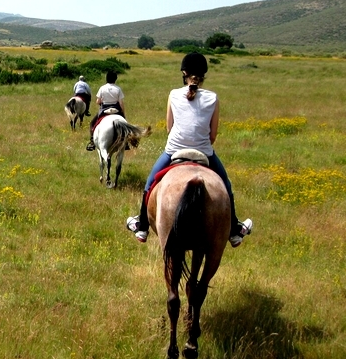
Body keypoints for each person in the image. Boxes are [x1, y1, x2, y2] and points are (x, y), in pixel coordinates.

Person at [125, 52, 253, 247]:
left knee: (150, 183)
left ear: (184, 73)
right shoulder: (213, 98)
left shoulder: (174, 94)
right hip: (205, 152)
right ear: (203, 75)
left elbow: (169, 128)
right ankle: (234, 229)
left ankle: (142, 225)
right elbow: (213, 135)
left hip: (173, 150)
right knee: (225, 186)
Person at [86, 70, 125, 151]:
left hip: (104, 110)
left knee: (92, 124)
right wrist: (123, 113)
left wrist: (102, 101)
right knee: (125, 126)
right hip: (116, 110)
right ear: (115, 79)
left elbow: (98, 101)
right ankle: (126, 142)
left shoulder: (102, 88)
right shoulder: (118, 89)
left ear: (106, 78)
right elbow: (121, 103)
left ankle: (92, 142)